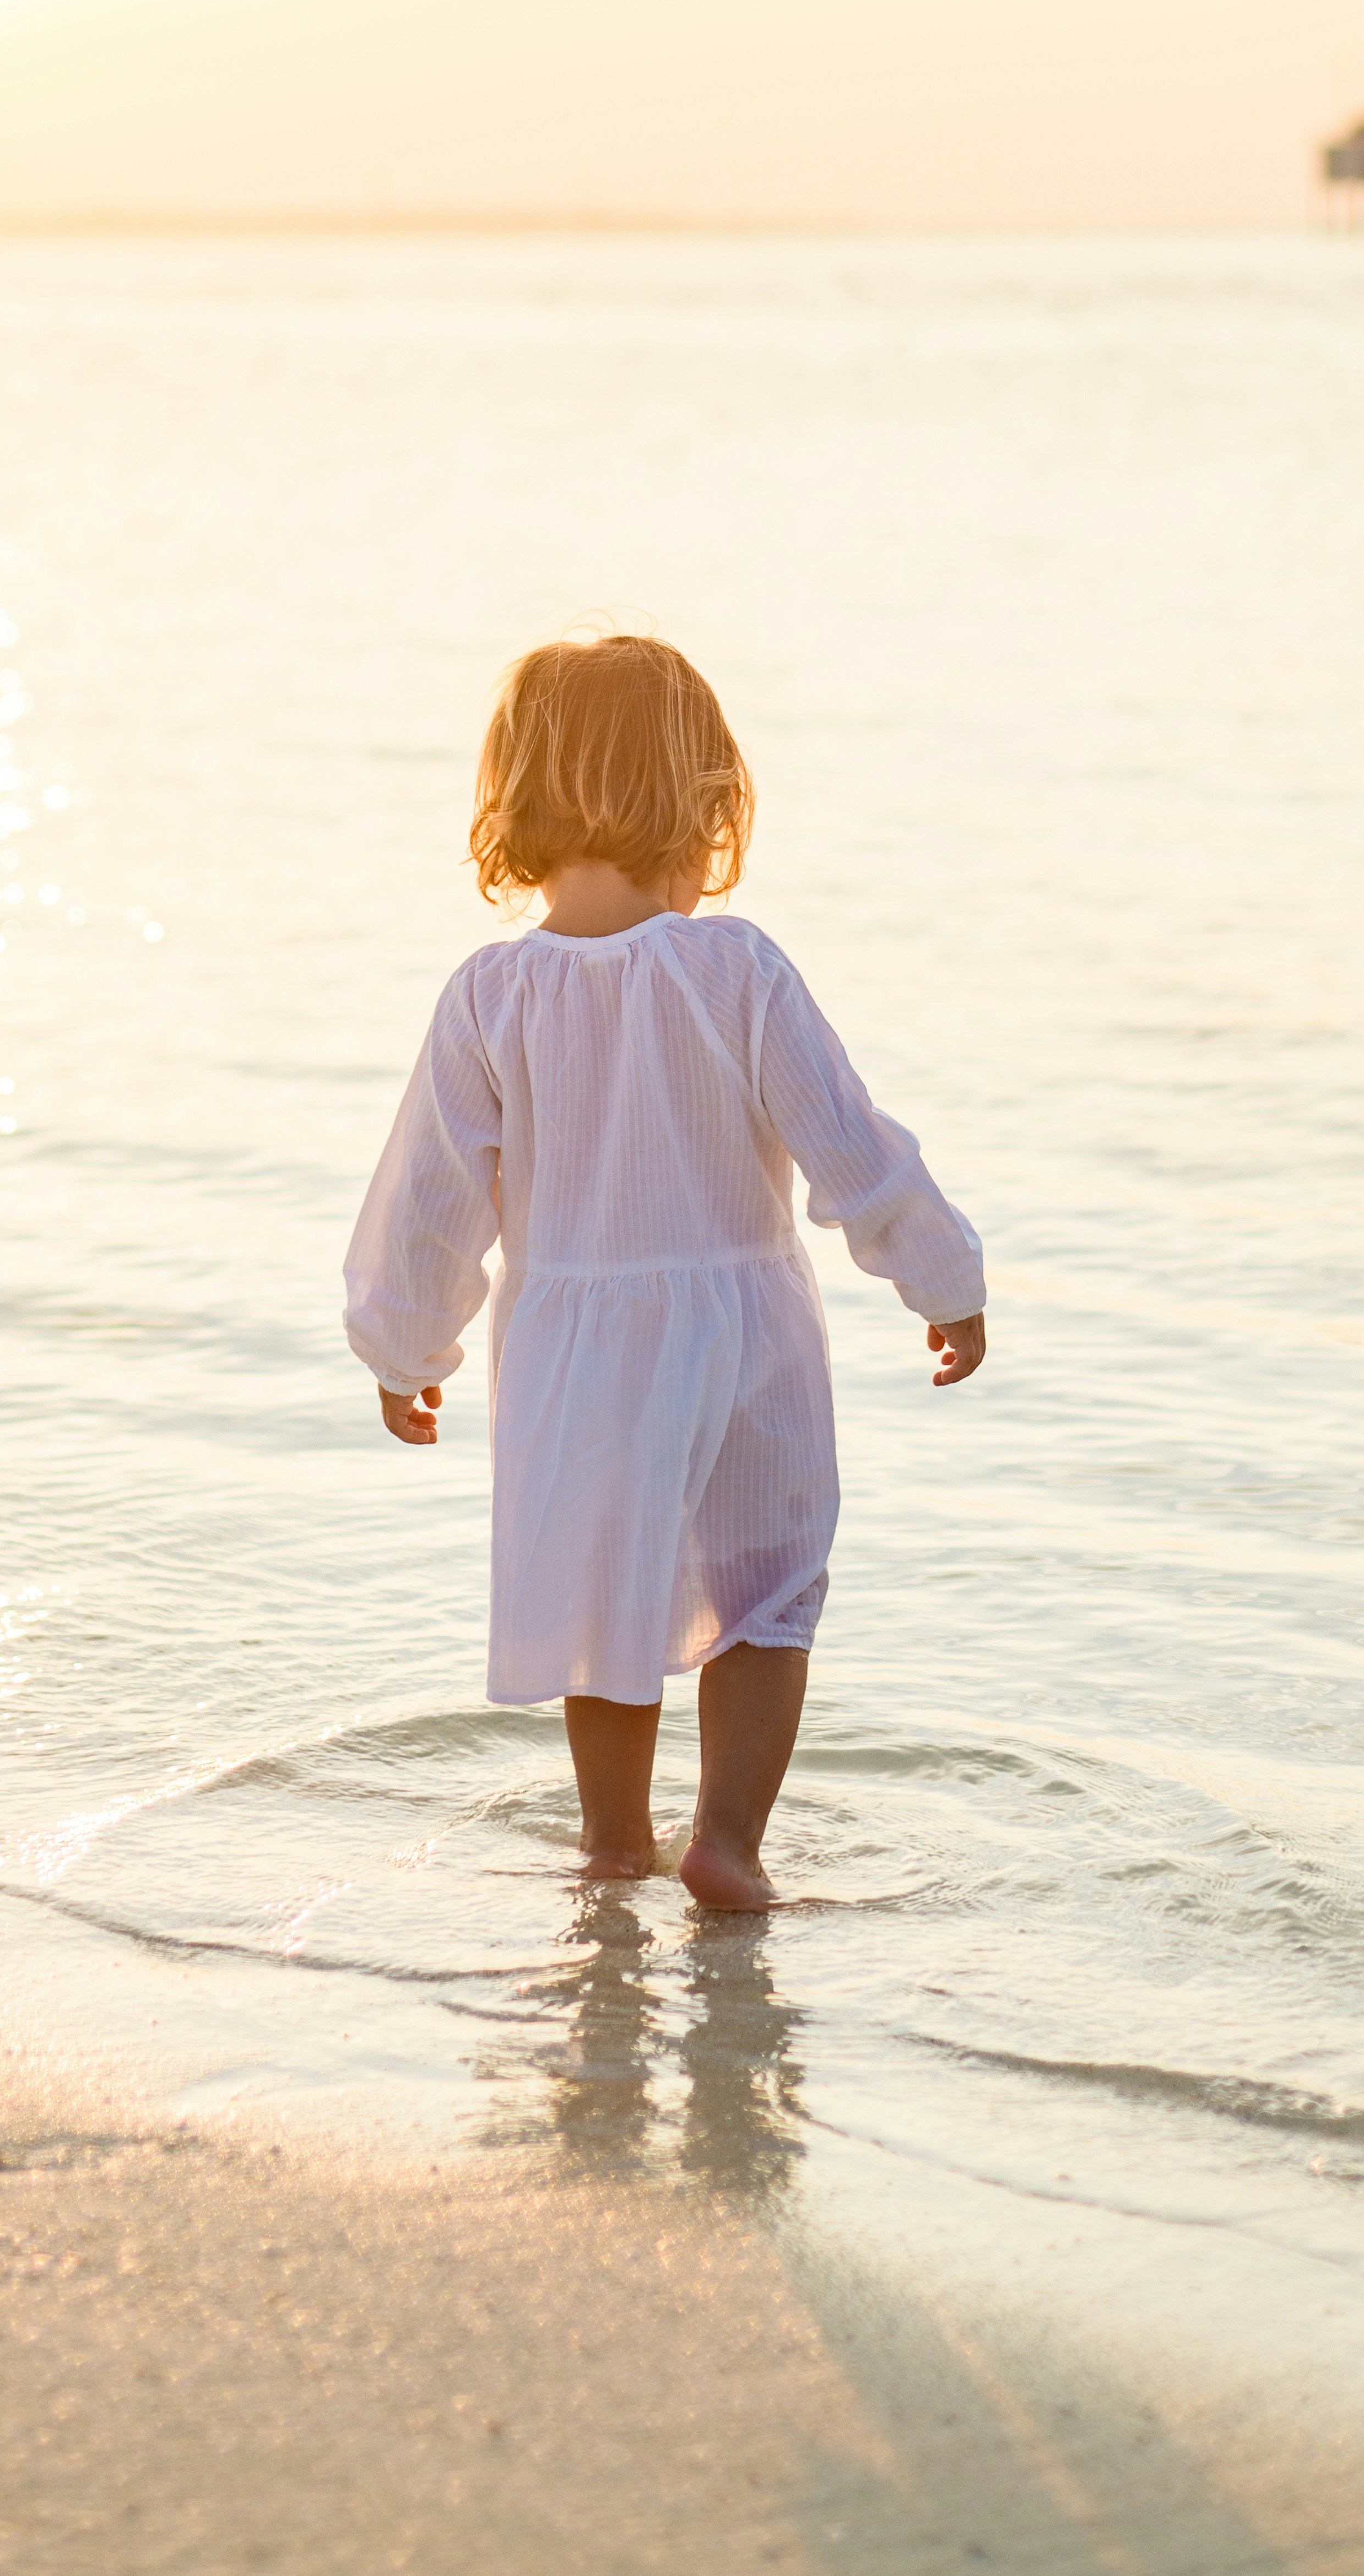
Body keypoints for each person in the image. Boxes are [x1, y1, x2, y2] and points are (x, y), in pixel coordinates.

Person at [343, 632, 987, 1911]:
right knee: (768, 1589)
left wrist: (401, 1344)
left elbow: (429, 1195)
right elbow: (845, 1143)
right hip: (742, 1331)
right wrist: (940, 1273)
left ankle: (610, 1845)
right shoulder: (735, 968)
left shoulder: (487, 995)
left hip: (569, 1349)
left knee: (601, 1594)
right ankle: (729, 1843)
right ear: (697, 805)